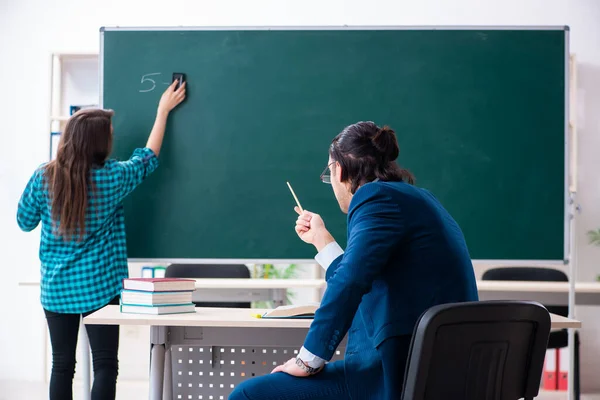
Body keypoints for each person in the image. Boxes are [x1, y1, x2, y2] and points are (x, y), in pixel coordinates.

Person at [230, 121, 478, 400]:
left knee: (248, 395)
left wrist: (308, 360)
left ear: (340, 169)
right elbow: (365, 277)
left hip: (396, 376)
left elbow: (351, 280)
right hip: (444, 374)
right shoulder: (418, 198)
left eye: (329, 173)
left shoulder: (374, 197)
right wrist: (322, 241)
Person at [17, 81, 186, 400]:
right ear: (98, 144)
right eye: (109, 134)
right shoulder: (112, 177)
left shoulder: (44, 177)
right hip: (100, 290)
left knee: (62, 366)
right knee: (106, 364)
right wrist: (162, 110)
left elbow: (24, 222)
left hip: (57, 291)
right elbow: (148, 158)